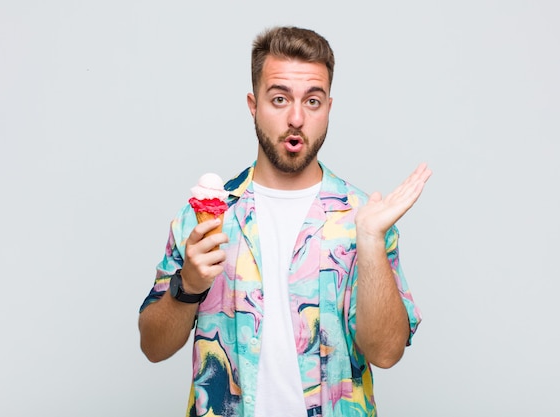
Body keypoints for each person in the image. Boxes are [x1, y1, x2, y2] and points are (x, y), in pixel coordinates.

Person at [138, 26, 431, 417]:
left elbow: (386, 353)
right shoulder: (205, 217)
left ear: (328, 106)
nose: (296, 118)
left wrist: (372, 241)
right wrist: (187, 286)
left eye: (312, 101)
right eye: (279, 99)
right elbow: (153, 348)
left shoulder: (364, 216)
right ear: (253, 104)